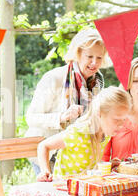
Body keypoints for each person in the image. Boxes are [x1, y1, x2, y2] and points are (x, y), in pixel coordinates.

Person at [25, 28, 110, 175]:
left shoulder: (97, 83)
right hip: (48, 154)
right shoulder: (54, 78)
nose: (94, 63)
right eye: (89, 56)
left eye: (99, 58)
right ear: (78, 53)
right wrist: (62, 117)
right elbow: (31, 118)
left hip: (76, 155)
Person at [36, 86, 131, 182]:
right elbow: (43, 146)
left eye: (124, 119)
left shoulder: (105, 135)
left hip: (83, 189)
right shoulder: (79, 132)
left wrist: (109, 165)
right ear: (99, 113)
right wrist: (45, 172)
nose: (122, 125)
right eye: (117, 119)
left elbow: (88, 165)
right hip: (63, 187)